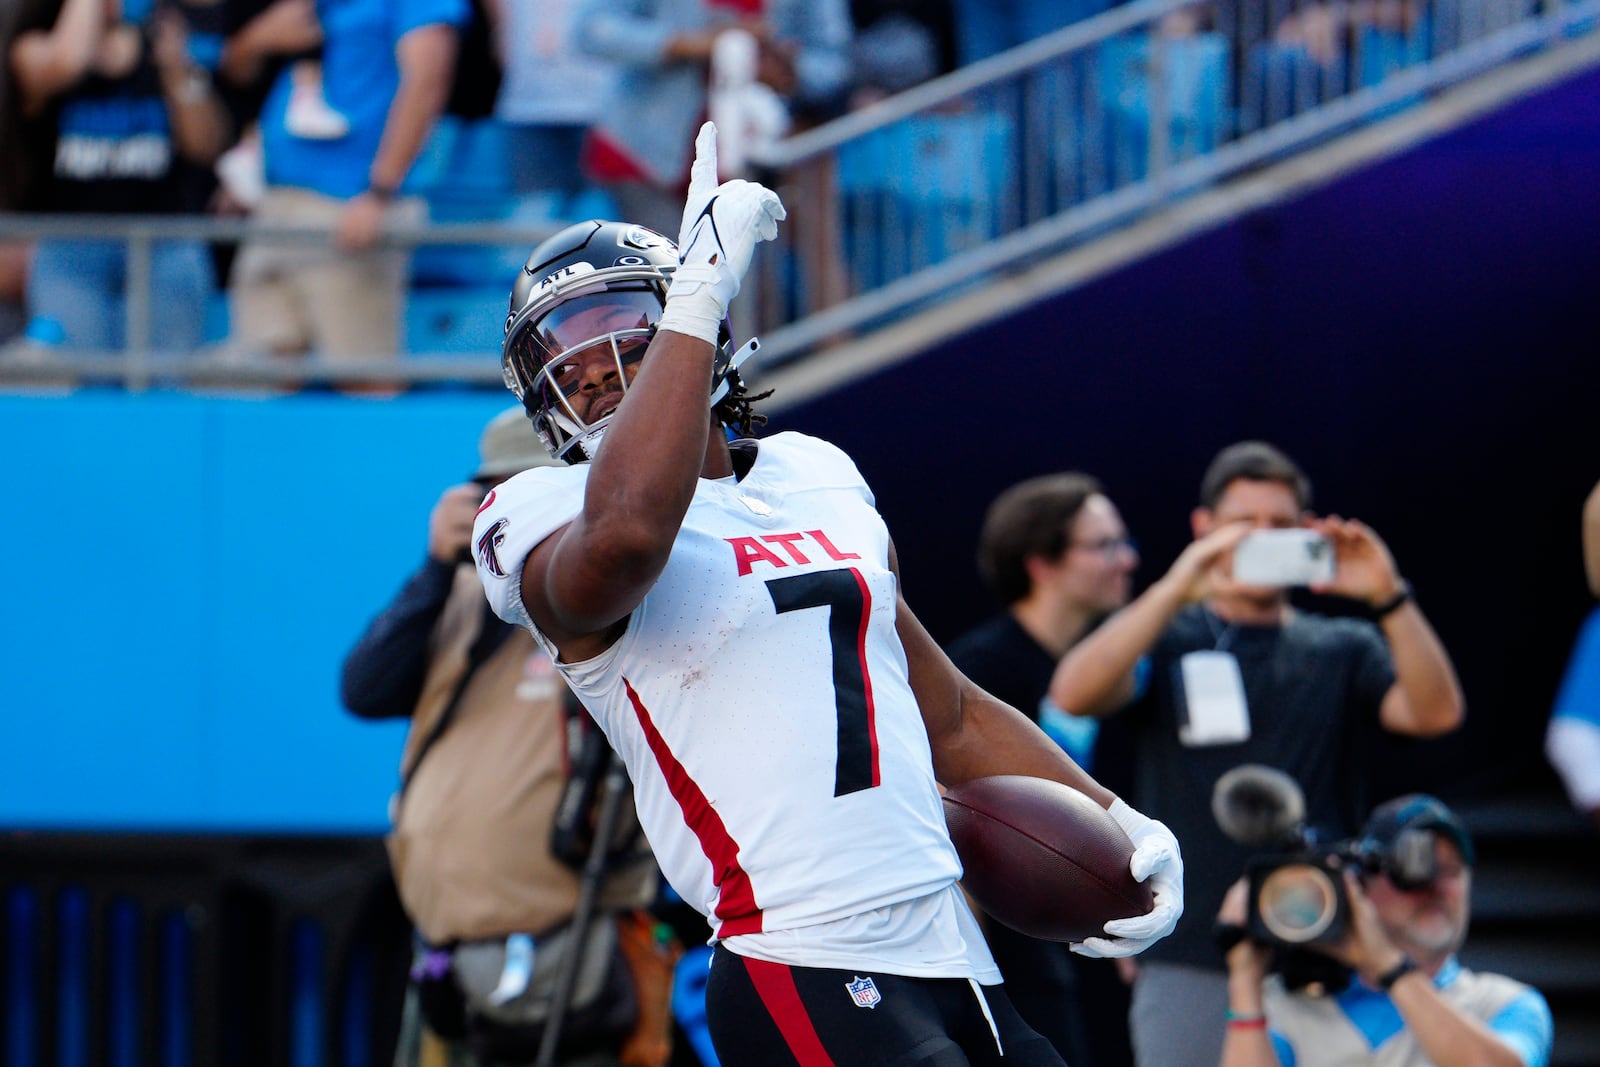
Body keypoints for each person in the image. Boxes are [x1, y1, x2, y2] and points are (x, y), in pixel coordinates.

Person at [469, 121, 1184, 1066]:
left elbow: (954, 715)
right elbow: (631, 537)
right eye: (578, 372)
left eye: (627, 352)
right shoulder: (535, 508)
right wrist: (691, 296)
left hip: (949, 942)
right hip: (794, 948)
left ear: (706, 341)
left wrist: (1116, 818)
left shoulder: (814, 470)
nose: (601, 385)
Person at [1049, 439, 1465, 1067]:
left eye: (1282, 525)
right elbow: (1074, 691)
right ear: (1204, 527)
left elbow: (1436, 713)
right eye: (1245, 524)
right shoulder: (1169, 637)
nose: (1263, 539)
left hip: (1323, 942)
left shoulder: (1342, 645)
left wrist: (1388, 595)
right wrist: (1180, 583)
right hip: (1190, 947)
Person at [341, 407, 669, 1066]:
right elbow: (365, 690)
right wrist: (434, 569)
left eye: (533, 489)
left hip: (576, 955)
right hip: (446, 954)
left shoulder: (612, 600)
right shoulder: (457, 591)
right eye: (498, 491)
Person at [945, 472, 1140, 1067]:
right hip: (1027, 951)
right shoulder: (979, 676)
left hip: (1118, 932)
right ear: (1042, 564)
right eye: (1104, 544)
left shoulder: (1120, 665)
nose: (1127, 559)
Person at [1215, 793, 1553, 1067]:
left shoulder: (1505, 1003)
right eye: (1411, 870)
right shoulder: (1286, 1008)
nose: (1434, 887)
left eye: (1450, 870)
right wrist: (1245, 981)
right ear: (1360, 886)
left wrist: (1388, 966)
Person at [221, 0, 465, 364]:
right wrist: (258, 39)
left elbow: (427, 80)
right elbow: (236, 70)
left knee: (361, 374)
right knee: (264, 371)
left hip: (351, 204)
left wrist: (379, 194)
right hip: (276, 201)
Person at [6, 0, 230, 353]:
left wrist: (179, 68)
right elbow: (66, 62)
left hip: (165, 244)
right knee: (80, 388)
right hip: (71, 249)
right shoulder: (36, 44)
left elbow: (206, 146)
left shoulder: (163, 35)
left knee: (163, 387)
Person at [572, 0, 853, 237]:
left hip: (752, 155)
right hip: (647, 152)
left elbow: (832, 59)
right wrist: (689, 44)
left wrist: (787, 70)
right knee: (676, 276)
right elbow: (592, 29)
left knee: (740, 285)